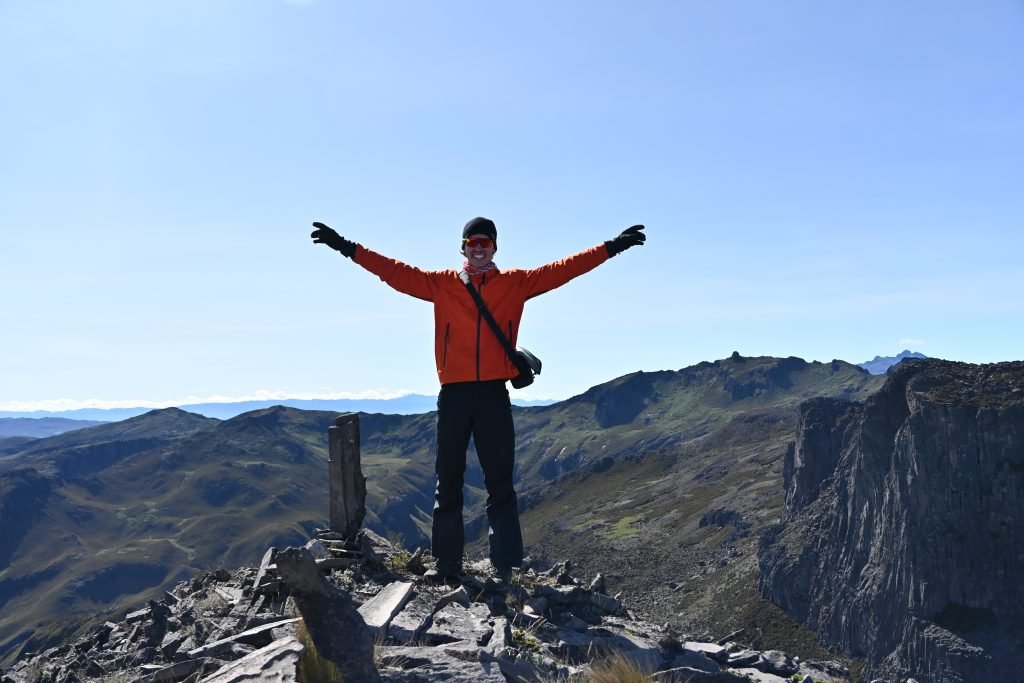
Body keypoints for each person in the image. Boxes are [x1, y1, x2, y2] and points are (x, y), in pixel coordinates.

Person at [310, 217, 645, 585]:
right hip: (453, 394)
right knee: (448, 481)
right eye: (473, 242)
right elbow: (393, 272)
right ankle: (447, 564)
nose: (479, 247)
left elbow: (564, 270)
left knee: (500, 482)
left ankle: (506, 567)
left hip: (493, 395)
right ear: (463, 247)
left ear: (495, 247)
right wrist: (346, 247)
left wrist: (611, 247)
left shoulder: (515, 284)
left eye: (485, 242)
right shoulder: (441, 284)